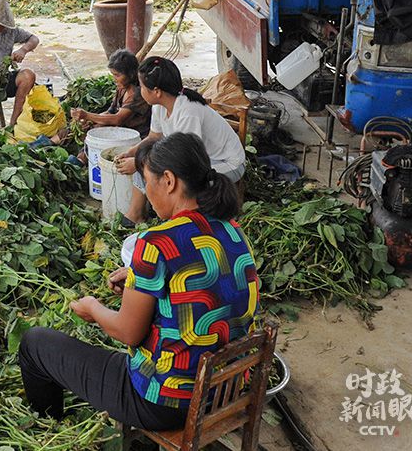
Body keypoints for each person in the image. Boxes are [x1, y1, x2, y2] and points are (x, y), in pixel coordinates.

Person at [18, 132, 259, 431]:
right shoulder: (233, 230)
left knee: (35, 344)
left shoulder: (156, 242)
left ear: (168, 181)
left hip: (167, 402)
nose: (146, 192)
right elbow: (202, 286)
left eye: (146, 181)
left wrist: (93, 308)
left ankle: (48, 429)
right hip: (227, 387)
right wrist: (139, 279)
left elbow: (127, 333)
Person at [116, 57, 246, 224]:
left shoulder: (187, 112)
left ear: (156, 91)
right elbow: (154, 137)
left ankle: (181, 221)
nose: (139, 91)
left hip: (227, 163)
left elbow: (184, 162)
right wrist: (132, 152)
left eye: (141, 87)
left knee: (169, 176)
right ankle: (136, 214)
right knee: (144, 159)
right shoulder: (159, 105)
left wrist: (137, 163)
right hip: (197, 157)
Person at [70, 49, 151, 139]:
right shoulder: (122, 87)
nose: (114, 78)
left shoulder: (138, 93)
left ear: (130, 74)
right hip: (120, 130)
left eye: (117, 75)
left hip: (135, 136)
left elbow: (118, 119)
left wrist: (87, 115)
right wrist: (91, 121)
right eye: (113, 74)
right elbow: (110, 111)